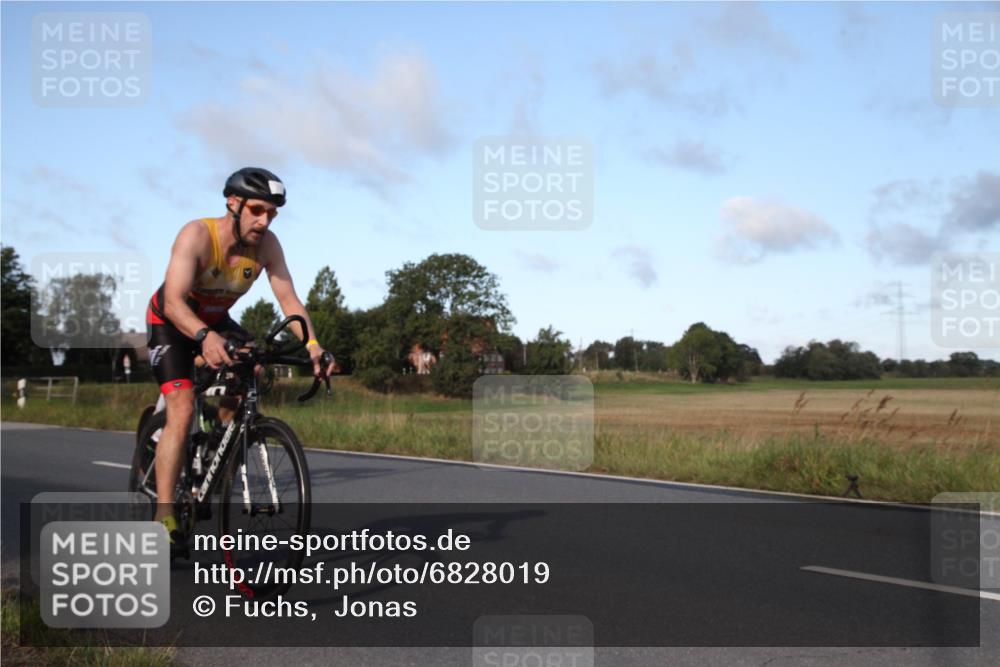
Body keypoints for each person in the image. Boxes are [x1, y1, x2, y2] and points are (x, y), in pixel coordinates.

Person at [145, 167, 336, 544]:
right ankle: (163, 514)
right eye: (256, 210)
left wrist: (314, 346)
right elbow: (173, 300)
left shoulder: (267, 246)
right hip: (172, 320)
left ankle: (215, 442)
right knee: (181, 409)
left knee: (254, 370)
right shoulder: (197, 236)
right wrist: (204, 336)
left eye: (271, 213)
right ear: (233, 204)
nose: (264, 221)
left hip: (216, 319)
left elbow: (289, 302)